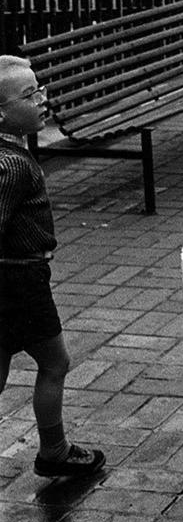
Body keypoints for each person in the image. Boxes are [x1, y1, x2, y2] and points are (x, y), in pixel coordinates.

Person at [0, 55, 105, 479]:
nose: (43, 100)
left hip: (10, 278)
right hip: (19, 281)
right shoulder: (11, 166)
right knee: (55, 363)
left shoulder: (10, 152)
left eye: (40, 89)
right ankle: (54, 452)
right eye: (30, 95)